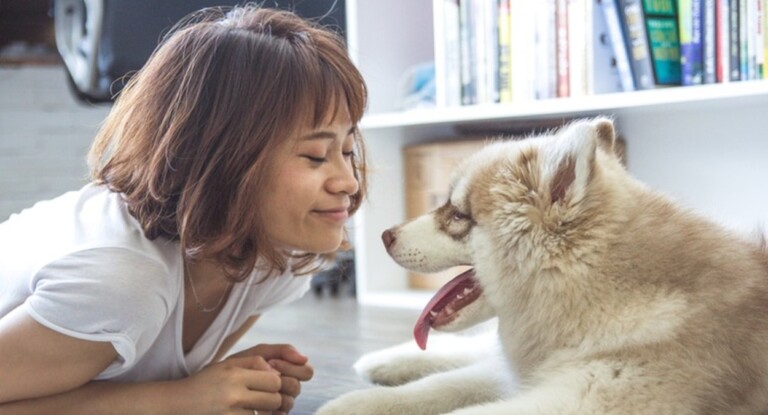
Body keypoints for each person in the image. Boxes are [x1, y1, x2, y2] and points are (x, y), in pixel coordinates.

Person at [0, 4, 367, 414]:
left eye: (348, 149)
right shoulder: (121, 281)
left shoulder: (275, 257)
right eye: (315, 155)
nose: (349, 182)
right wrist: (181, 399)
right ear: (221, 159)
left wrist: (225, 382)